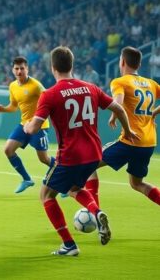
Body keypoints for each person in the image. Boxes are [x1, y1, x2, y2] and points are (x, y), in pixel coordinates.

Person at [24, 46, 137, 256]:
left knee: (46, 195)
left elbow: (33, 128)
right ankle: (97, 211)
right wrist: (128, 131)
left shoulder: (50, 94)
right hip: (94, 154)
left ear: (52, 67)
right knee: (74, 188)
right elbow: (119, 109)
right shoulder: (91, 88)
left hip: (70, 156)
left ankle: (69, 245)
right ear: (72, 65)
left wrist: (25, 125)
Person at [85, 46, 160, 208]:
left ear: (122, 62)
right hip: (148, 143)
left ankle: (95, 212)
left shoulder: (119, 82)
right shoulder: (152, 84)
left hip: (130, 140)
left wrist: (114, 115)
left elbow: (117, 102)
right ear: (139, 65)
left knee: (88, 164)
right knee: (137, 183)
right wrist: (154, 113)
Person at [0, 56, 55, 193]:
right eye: (17, 68)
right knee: (8, 150)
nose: (19, 71)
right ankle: (27, 179)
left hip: (39, 126)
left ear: (27, 69)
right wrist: (3, 109)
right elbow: (14, 106)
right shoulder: (13, 86)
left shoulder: (36, 85)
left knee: (44, 159)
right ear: (12, 70)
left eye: (22, 68)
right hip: (24, 124)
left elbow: (50, 99)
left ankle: (66, 180)